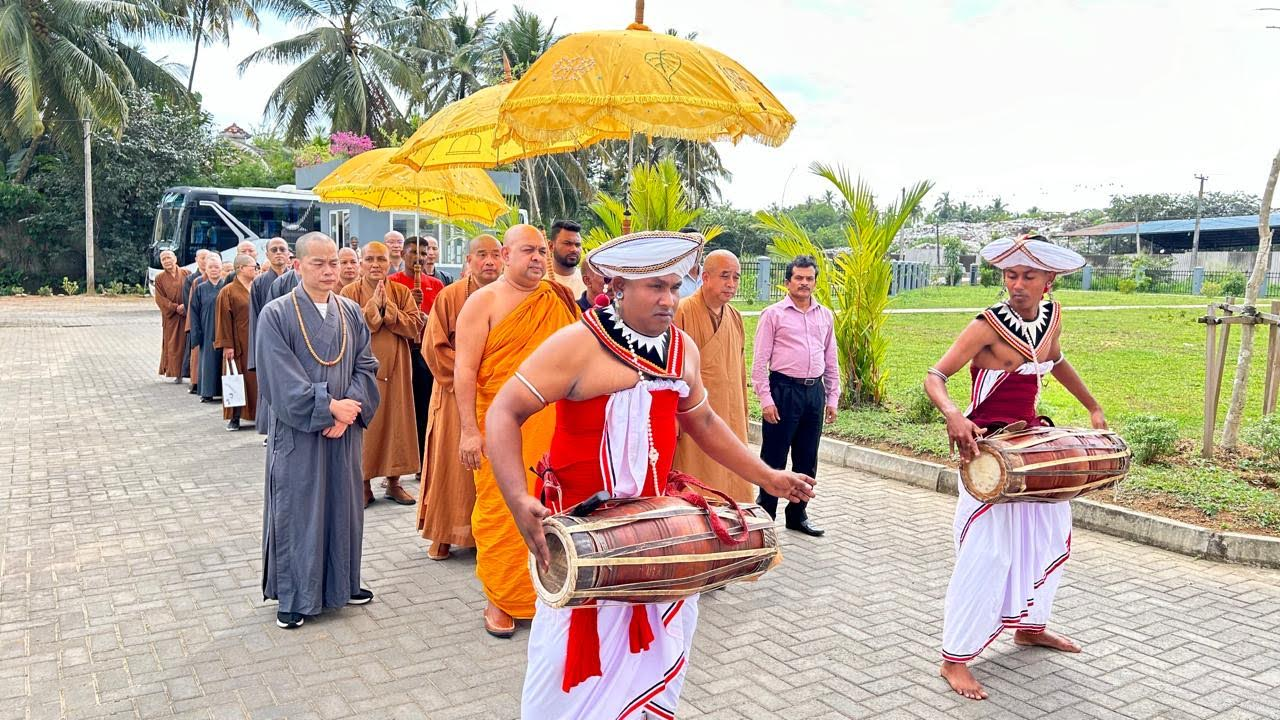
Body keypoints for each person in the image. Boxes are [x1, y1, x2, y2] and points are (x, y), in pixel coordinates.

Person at [484, 231, 816, 720]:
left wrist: (767, 475)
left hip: (655, 535)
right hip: (578, 535)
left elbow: (702, 420)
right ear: (618, 286)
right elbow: (503, 413)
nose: (668, 299)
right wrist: (516, 498)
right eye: (655, 287)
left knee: (660, 648)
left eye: (674, 286)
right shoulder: (577, 345)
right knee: (562, 670)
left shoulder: (681, 348)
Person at [924, 234, 1105, 701]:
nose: (1017, 284)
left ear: (1049, 281)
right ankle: (954, 658)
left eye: (1028, 276)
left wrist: (1093, 407)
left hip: (1033, 449)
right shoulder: (987, 324)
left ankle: (1030, 626)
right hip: (988, 455)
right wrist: (953, 415)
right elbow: (935, 375)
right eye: (1010, 275)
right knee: (987, 553)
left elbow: (1057, 362)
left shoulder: (1052, 318)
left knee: (1046, 537)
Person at [453, 224, 579, 637]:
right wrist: (469, 431)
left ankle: (551, 590)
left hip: (555, 425)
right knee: (502, 510)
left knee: (555, 506)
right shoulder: (482, 302)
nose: (538, 258)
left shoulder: (557, 297)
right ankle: (502, 598)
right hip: (501, 429)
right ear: (505, 256)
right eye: (528, 251)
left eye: (542, 251)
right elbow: (465, 372)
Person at [256, 232, 380, 630]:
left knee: (344, 507)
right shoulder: (276, 314)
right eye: (319, 264)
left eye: (335, 263)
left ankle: (344, 584)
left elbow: (367, 366)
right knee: (300, 509)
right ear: (297, 266)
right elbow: (279, 379)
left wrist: (347, 413)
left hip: (344, 433)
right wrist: (328, 408)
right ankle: (294, 596)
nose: (329, 272)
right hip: (300, 434)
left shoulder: (350, 311)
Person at [415, 234, 503, 561]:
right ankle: (444, 534)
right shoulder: (450, 296)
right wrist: (471, 374)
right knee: (451, 464)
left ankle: (486, 534)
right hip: (455, 392)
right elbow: (433, 346)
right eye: (482, 255)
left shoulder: (512, 297)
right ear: (469, 261)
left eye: (496, 255)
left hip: (498, 394)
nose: (489, 262)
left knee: (493, 464)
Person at [750, 255, 838, 537]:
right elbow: (759, 362)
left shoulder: (824, 315)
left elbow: (831, 359)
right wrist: (766, 399)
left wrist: (832, 397)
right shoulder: (773, 314)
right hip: (783, 390)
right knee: (774, 457)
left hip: (814, 392)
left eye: (809, 278)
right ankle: (765, 517)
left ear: (815, 282)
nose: (803, 283)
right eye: (798, 278)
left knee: (806, 458)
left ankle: (797, 515)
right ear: (787, 282)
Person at [340, 241, 424, 507]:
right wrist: (373, 308)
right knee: (367, 425)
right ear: (361, 262)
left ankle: (394, 482)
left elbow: (414, 327)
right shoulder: (348, 292)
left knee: (397, 423)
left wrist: (390, 310)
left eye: (381, 259)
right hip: (363, 370)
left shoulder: (401, 291)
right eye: (370, 259)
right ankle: (362, 484)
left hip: (397, 368)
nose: (375, 265)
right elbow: (345, 329)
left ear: (390, 262)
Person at [672, 249, 753, 502]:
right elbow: (671, 371)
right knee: (697, 481)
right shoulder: (682, 312)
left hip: (730, 411)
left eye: (736, 278)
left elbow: (740, 371)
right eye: (725, 276)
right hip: (694, 416)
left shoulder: (736, 317)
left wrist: (744, 409)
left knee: (733, 477)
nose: (731, 284)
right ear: (705, 277)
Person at [389, 237, 447, 479]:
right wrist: (409, 308)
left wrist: (425, 315)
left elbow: (443, 319)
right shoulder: (392, 283)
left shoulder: (436, 284)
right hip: (400, 352)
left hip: (426, 353)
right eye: (414, 252)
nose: (419, 258)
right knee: (399, 410)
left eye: (424, 253)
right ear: (403, 254)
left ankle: (423, 464)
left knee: (424, 408)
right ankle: (393, 468)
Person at [249, 238, 290, 436]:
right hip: (269, 343)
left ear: (289, 253)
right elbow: (256, 317)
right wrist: (259, 350)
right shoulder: (259, 283)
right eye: (274, 250)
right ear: (267, 255)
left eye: (282, 249)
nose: (279, 253)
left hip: (292, 342)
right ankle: (269, 429)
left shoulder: (297, 279)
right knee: (270, 386)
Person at [215, 254, 259, 430]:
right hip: (237, 344)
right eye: (252, 266)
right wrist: (227, 345)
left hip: (255, 340)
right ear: (240, 268)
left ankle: (257, 414)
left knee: (255, 381)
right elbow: (223, 320)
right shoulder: (227, 291)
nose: (256, 269)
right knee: (236, 379)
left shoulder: (257, 287)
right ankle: (235, 417)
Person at [189, 256, 228, 403]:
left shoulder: (226, 286)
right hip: (207, 330)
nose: (214, 270)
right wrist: (196, 333)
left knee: (223, 361)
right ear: (205, 269)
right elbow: (194, 312)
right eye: (211, 267)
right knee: (208, 361)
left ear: (221, 269)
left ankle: (224, 391)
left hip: (224, 329)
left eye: (217, 267)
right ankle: (207, 392)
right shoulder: (200, 288)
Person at [153, 250, 189, 382]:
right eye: (163, 259)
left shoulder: (186, 273)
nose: (167, 261)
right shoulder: (160, 278)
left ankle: (188, 372)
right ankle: (176, 373)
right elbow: (160, 299)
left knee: (187, 343)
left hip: (186, 315)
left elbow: (193, 291)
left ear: (175, 259)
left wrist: (186, 306)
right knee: (173, 345)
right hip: (171, 318)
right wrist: (175, 307)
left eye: (169, 257)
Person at [182, 249, 212, 393]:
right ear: (197, 259)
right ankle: (196, 382)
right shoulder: (194, 281)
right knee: (197, 355)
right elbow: (190, 304)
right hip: (199, 323)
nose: (205, 260)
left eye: (208, 258)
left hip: (214, 326)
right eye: (203, 258)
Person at [547, 219, 586, 298]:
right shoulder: (537, 280)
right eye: (567, 243)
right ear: (551, 246)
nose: (574, 249)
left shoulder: (588, 282)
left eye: (577, 245)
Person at [676, 227, 703, 299]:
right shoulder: (673, 277)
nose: (696, 251)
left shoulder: (709, 275)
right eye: (691, 247)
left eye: (698, 247)